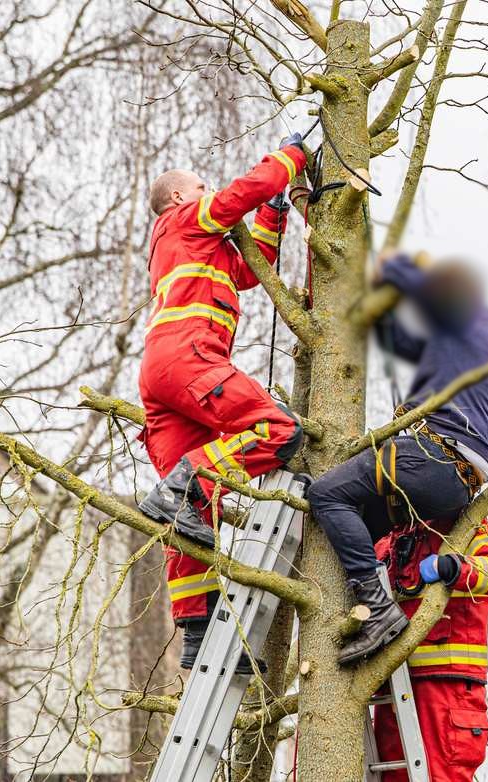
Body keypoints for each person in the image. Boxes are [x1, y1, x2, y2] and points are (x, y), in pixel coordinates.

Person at [137, 135, 307, 668]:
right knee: (281, 432)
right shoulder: (185, 219)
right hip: (189, 358)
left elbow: (251, 271)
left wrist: (274, 216)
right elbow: (242, 192)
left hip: (164, 379)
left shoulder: (195, 246)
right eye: (198, 186)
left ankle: (195, 632)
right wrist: (291, 160)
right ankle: (183, 482)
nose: (207, 191)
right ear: (176, 199)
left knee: (192, 514)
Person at [307, 252, 488, 665]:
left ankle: (380, 611)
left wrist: (385, 266)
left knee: (327, 494)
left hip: (435, 456)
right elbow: (403, 341)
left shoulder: (471, 322)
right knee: (359, 528)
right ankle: (368, 610)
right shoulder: (474, 346)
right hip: (452, 478)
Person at [371, 517, 488, 782]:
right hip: (394, 685)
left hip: (448, 690)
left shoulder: (463, 525)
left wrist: (453, 567)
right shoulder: (390, 540)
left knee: (441, 776)